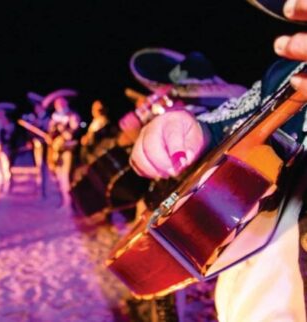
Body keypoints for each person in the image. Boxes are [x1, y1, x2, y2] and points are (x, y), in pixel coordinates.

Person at [130, 1, 307, 319]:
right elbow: (236, 118)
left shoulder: (222, 89)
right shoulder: (286, 69)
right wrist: (191, 130)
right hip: (244, 251)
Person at [45, 90, 80, 211]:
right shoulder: (54, 118)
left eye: (60, 102)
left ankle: (70, 204)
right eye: (56, 103)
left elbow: (73, 134)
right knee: (58, 177)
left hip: (67, 151)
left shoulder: (72, 116)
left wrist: (63, 133)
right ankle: (64, 201)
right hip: (55, 152)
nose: (58, 105)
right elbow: (50, 135)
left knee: (66, 177)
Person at [79, 100, 111, 164]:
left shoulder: (102, 120)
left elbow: (96, 135)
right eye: (94, 109)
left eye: (98, 109)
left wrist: (87, 139)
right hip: (91, 149)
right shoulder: (94, 122)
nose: (95, 111)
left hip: (98, 148)